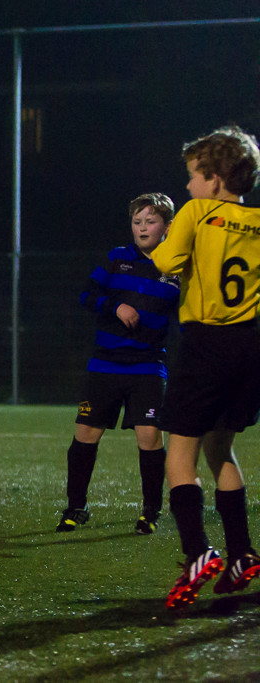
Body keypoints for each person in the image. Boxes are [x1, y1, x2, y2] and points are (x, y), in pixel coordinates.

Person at [150, 125, 260, 608]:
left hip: (206, 343)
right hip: (250, 346)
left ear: (215, 180)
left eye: (194, 175)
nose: (189, 185)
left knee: (179, 454)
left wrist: (166, 242)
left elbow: (166, 262)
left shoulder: (198, 211)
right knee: (221, 448)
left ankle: (197, 552)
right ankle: (242, 554)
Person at [54, 194, 180, 535]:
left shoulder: (176, 267)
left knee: (149, 436)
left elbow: (187, 312)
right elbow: (86, 295)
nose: (142, 228)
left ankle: (150, 512)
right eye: (137, 222)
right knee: (86, 432)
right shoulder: (117, 258)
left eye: (150, 221)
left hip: (148, 365)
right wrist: (116, 307)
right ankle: (75, 507)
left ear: (168, 227)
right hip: (105, 363)